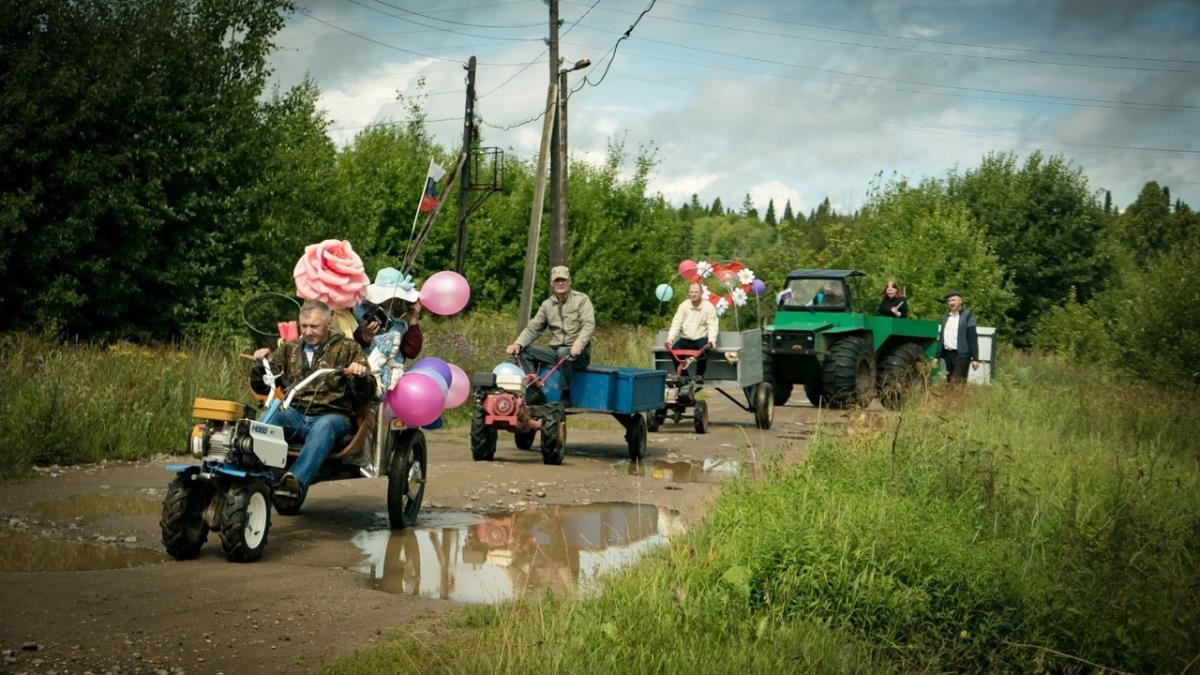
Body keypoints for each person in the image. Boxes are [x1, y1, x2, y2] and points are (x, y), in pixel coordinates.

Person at [252, 300, 374, 498]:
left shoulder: (349, 349)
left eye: (314, 326)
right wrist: (260, 363)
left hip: (333, 416)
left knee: (324, 426)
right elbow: (263, 386)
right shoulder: (288, 349)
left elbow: (367, 394)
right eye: (304, 326)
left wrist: (359, 375)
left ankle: (295, 481)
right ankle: (252, 471)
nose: (308, 331)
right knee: (273, 410)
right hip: (295, 414)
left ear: (329, 324)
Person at [506, 265, 595, 406]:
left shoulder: (581, 300)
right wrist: (518, 344)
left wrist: (579, 344)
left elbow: (589, 325)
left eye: (563, 280)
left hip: (579, 353)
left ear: (569, 282)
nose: (560, 283)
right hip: (556, 352)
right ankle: (535, 392)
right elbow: (533, 328)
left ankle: (566, 395)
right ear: (552, 283)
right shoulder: (547, 305)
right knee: (523, 352)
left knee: (563, 351)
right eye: (557, 280)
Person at [353, 267, 424, 363]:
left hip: (393, 372)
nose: (393, 300)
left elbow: (411, 352)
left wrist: (413, 319)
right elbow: (345, 343)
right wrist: (362, 336)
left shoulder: (402, 319)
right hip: (364, 369)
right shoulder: (359, 309)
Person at [665, 281, 719, 380]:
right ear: (689, 293)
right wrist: (670, 339)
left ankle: (699, 375)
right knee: (673, 350)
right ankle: (684, 375)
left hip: (700, 338)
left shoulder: (709, 307)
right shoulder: (683, 306)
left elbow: (712, 326)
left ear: (701, 293)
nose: (694, 294)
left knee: (704, 350)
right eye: (691, 292)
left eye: (696, 292)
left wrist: (711, 341)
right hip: (685, 338)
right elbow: (676, 324)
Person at [934, 290, 980, 385]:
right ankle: (958, 399)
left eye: (954, 300)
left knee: (955, 382)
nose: (951, 303)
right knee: (951, 381)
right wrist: (936, 357)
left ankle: (955, 398)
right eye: (949, 301)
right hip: (948, 355)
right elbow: (942, 338)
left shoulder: (967, 316)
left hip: (962, 355)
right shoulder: (945, 317)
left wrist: (975, 358)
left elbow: (973, 338)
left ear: (960, 301)